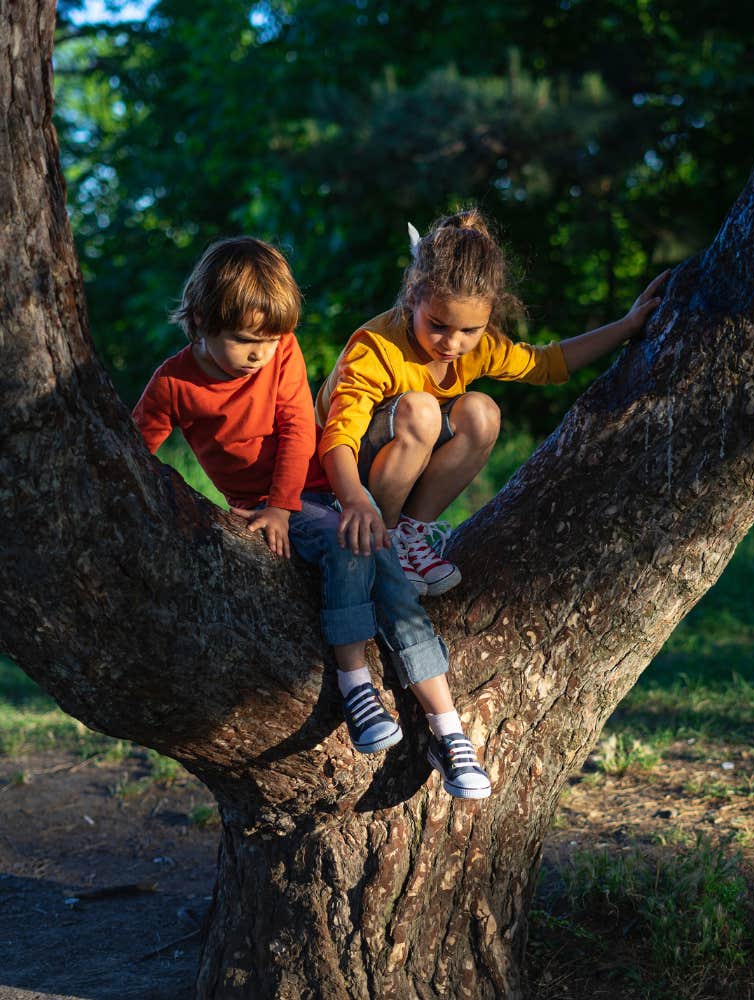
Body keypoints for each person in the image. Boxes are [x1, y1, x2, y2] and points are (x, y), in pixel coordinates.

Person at [132, 236, 491, 799]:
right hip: (270, 507)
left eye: (270, 339)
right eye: (245, 341)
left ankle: (448, 732)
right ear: (200, 321)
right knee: (352, 543)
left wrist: (290, 502)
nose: (261, 353)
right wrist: (266, 509)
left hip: (314, 492)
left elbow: (301, 427)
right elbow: (132, 455)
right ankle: (355, 683)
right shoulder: (174, 384)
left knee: (392, 580)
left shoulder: (283, 352)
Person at [316, 209, 668, 595]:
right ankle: (384, 539)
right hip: (342, 484)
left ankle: (411, 535)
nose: (453, 343)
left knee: (481, 413)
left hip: (397, 472)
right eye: (437, 325)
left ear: (489, 315)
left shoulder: (479, 347)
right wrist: (354, 500)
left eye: (470, 330)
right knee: (421, 410)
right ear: (414, 295)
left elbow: (546, 363)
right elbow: (338, 438)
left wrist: (626, 326)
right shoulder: (376, 348)